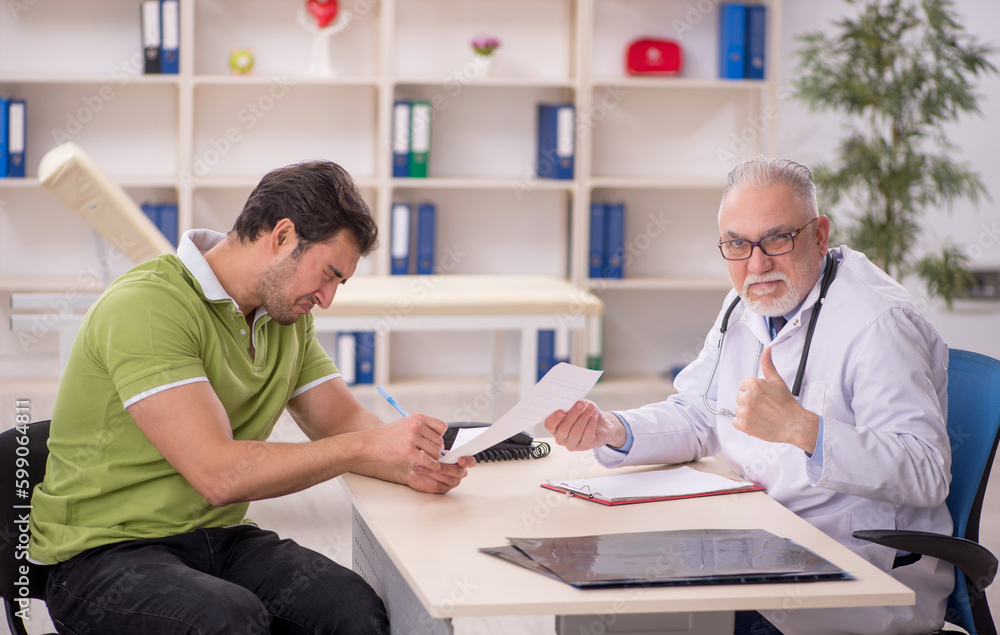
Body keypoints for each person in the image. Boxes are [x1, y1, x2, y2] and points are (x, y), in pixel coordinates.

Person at [29, 160, 474, 635]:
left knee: (351, 609)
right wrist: (368, 448)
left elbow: (343, 421)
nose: (327, 299)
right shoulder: (147, 307)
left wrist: (415, 464)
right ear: (282, 236)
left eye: (338, 283)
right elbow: (218, 475)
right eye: (326, 274)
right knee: (227, 620)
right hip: (104, 553)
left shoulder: (286, 319)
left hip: (216, 540)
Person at [545, 156, 954, 635]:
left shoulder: (878, 323)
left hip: (856, 568)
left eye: (777, 239)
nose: (757, 264)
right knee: (601, 588)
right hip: (762, 539)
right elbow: (702, 411)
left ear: (820, 235)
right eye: (737, 244)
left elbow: (927, 470)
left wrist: (803, 429)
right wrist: (614, 429)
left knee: (640, 616)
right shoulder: (745, 304)